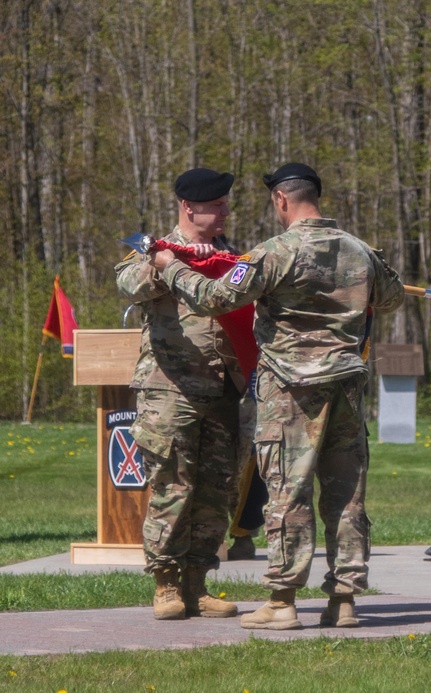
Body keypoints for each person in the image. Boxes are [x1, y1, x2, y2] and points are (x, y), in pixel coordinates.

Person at [149, 162, 404, 630]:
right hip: (347, 385)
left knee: (289, 490)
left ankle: (283, 600)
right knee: (347, 495)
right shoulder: (360, 250)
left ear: (281, 200)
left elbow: (213, 299)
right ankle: (344, 599)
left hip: (291, 389)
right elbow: (391, 298)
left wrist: (171, 268)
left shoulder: (273, 253)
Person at [115, 167, 244, 621]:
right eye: (218, 205)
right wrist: (170, 263)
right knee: (173, 485)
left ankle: (198, 583)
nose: (226, 211)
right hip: (170, 389)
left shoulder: (235, 254)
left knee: (216, 490)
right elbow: (127, 284)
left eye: (227, 204)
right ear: (190, 208)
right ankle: (166, 583)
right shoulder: (156, 251)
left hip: (225, 389)